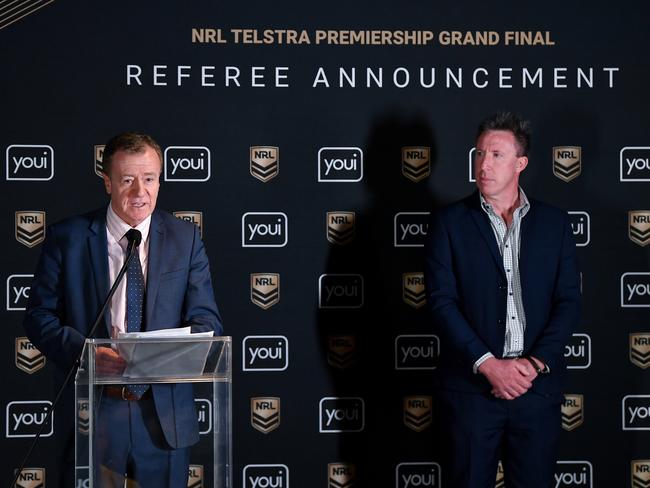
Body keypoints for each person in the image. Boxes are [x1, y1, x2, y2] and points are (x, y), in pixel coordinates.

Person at [24, 132, 223, 487]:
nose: (140, 192)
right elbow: (39, 318)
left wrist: (167, 351)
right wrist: (85, 353)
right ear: (108, 182)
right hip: (94, 412)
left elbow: (205, 320)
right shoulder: (67, 238)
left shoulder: (185, 239)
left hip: (163, 415)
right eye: (128, 180)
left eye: (149, 179)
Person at [425, 112, 580, 487]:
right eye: (479, 154)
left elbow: (568, 301)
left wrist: (534, 364)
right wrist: (489, 365)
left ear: (520, 163)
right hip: (472, 394)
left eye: (496, 155)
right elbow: (441, 301)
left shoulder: (555, 224)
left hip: (536, 392)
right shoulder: (449, 223)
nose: (483, 164)